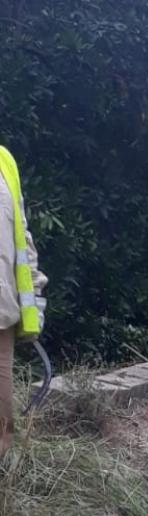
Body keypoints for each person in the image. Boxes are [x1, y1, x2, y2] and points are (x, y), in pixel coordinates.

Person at [0, 146, 48, 456]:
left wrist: (35, 303)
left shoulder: (4, 162)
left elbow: (21, 238)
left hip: (1, 312)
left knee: (3, 425)